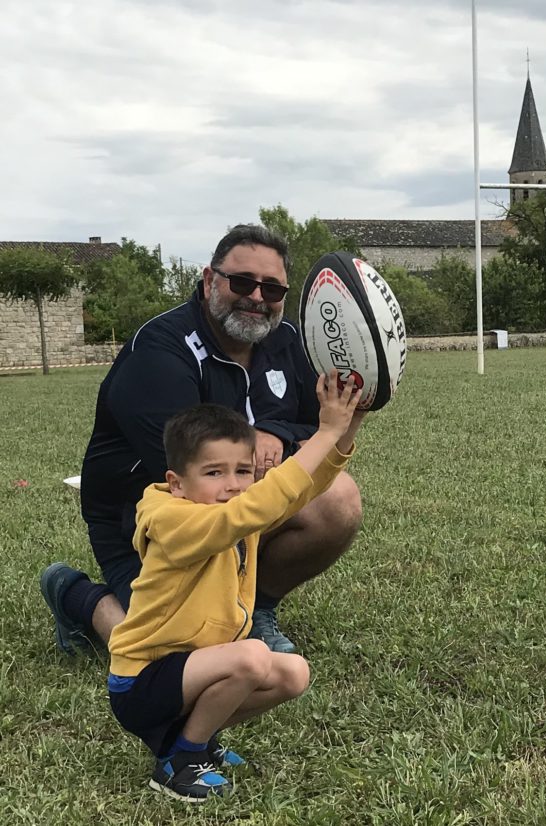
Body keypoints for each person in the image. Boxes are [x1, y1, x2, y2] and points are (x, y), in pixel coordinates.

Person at [41, 224, 362, 656]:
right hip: (153, 521)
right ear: (210, 280)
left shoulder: (289, 342)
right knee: (171, 652)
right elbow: (194, 479)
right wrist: (261, 442)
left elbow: (318, 425)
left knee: (337, 499)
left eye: (273, 289)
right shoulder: (161, 350)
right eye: (243, 282)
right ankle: (76, 595)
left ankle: (255, 608)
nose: (256, 297)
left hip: (236, 503)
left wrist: (280, 431)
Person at [108, 373, 362, 801]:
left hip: (193, 671)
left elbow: (299, 493)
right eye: (214, 472)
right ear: (177, 483)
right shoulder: (174, 519)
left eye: (243, 471)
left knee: (293, 673)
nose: (232, 484)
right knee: (252, 656)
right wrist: (326, 430)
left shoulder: (233, 510)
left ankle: (189, 739)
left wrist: (347, 427)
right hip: (141, 684)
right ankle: (180, 761)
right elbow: (254, 508)